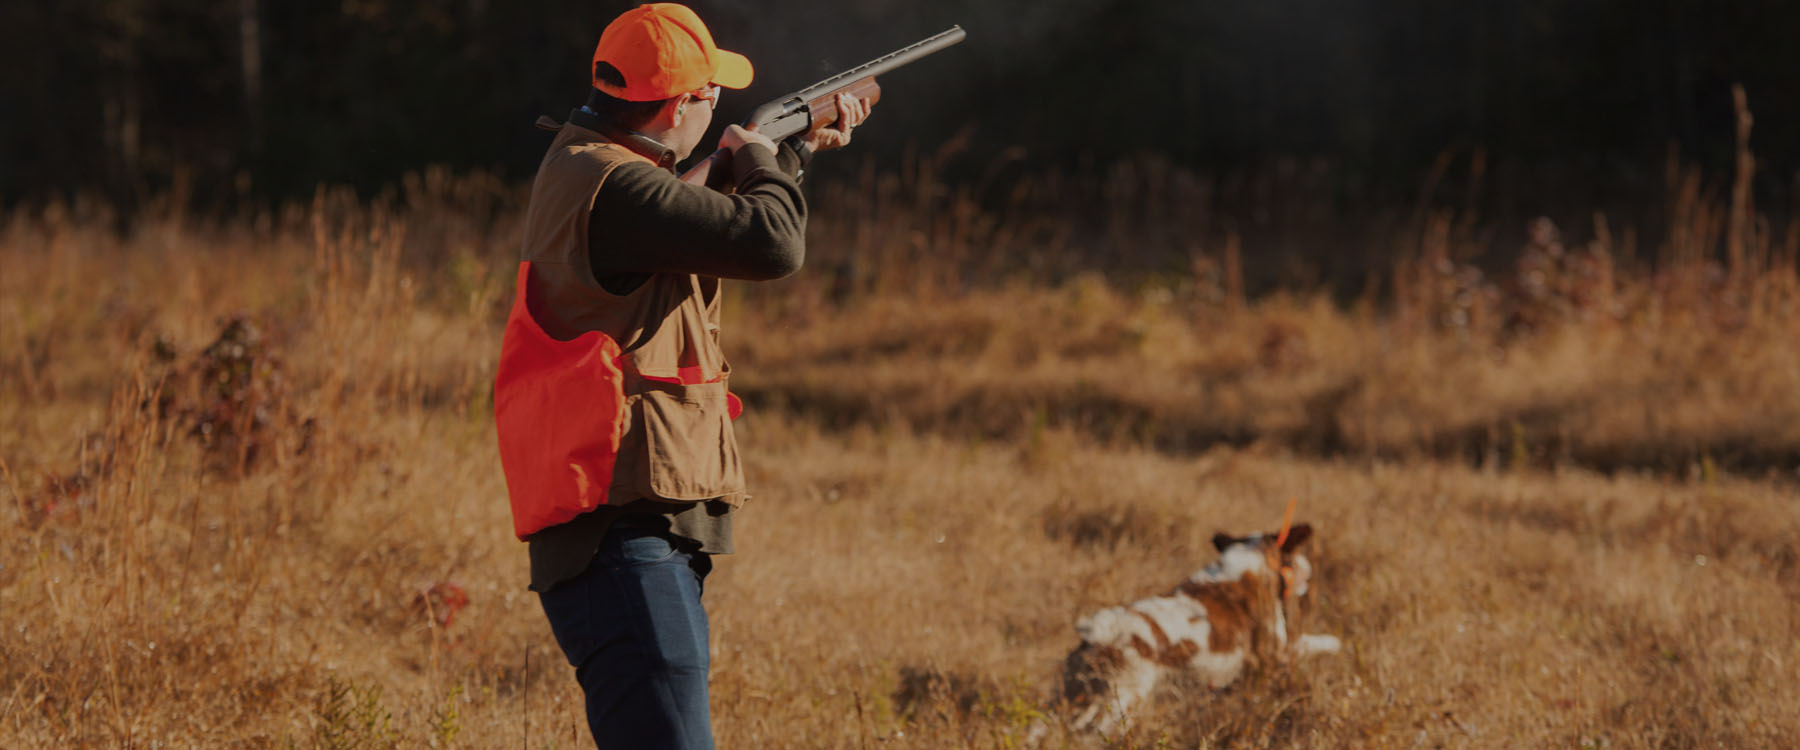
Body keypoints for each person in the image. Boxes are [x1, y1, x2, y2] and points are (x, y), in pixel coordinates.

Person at [492, 4, 871, 749]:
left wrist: (786, 155)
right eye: (711, 93)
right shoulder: (615, 185)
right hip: (621, 535)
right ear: (680, 105)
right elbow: (772, 244)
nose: (717, 104)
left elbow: (701, 227)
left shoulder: (591, 166)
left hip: (627, 527)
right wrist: (757, 155)